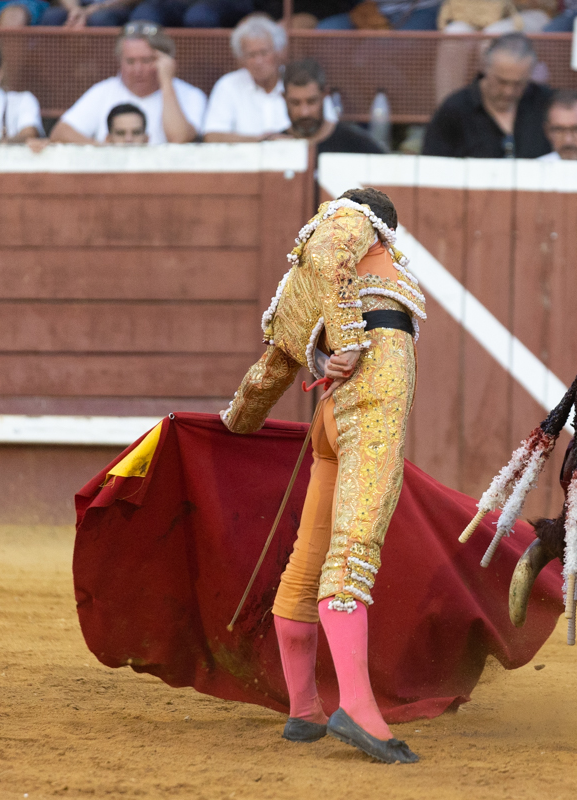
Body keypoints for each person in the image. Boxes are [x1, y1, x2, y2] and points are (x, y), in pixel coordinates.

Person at [221, 187, 425, 764]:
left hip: (331, 414)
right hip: (372, 391)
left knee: (307, 561)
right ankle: (358, 709)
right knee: (353, 549)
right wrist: (353, 342)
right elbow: (337, 251)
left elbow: (270, 372)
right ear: (383, 228)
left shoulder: (294, 289)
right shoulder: (349, 221)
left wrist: (232, 422)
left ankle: (304, 708)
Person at [422, 33, 577, 159]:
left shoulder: (548, 102)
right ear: (485, 68)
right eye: (501, 81)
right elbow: (429, 167)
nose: (508, 91)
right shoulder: (455, 109)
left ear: (532, 73)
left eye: (518, 83)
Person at [50, 22, 207, 145]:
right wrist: (104, 151)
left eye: (146, 61)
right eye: (130, 61)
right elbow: (61, 133)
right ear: (120, 61)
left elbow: (179, 139)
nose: (138, 70)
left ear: (164, 60)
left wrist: (166, 82)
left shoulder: (191, 95)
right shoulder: (103, 91)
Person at [203, 15, 290, 142]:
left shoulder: (297, 81)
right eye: (251, 55)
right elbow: (212, 136)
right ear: (241, 58)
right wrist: (261, 141)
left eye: (264, 53)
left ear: (278, 52)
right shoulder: (228, 85)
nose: (258, 61)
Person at [281, 59, 385, 155]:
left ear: (325, 94)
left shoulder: (356, 144)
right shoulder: (273, 147)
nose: (304, 112)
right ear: (284, 98)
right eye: (295, 103)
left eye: (311, 102)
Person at [315, 0, 443, 29]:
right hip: (373, 9)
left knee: (370, 54)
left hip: (421, 9)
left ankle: (405, 98)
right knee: (324, 33)